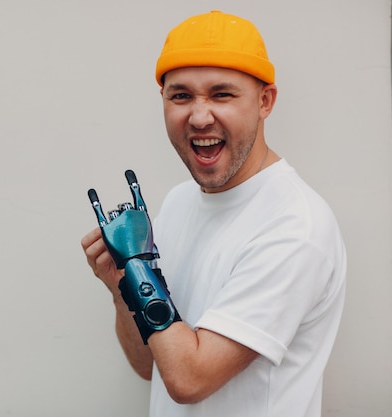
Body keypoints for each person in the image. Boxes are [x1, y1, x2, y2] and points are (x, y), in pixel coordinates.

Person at [80, 10, 346, 417]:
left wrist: (137, 268)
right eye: (181, 95)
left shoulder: (295, 225)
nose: (200, 116)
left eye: (222, 94)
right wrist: (122, 286)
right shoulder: (179, 202)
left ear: (265, 101)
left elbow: (189, 379)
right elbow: (151, 366)